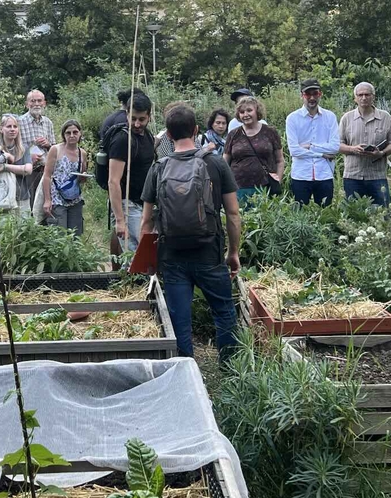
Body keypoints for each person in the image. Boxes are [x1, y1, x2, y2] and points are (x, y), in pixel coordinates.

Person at [140, 104, 242, 361]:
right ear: (196, 130)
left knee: (179, 317)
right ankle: (231, 371)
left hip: (172, 255)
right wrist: (233, 252)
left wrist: (149, 261)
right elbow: (232, 213)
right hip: (209, 250)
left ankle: (186, 372)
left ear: (169, 136)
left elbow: (146, 221)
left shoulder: (159, 167)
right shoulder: (215, 163)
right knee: (223, 310)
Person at [107, 90, 155, 252]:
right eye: (133, 118)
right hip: (128, 204)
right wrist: (120, 220)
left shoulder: (148, 136)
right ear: (126, 113)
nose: (136, 124)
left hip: (145, 203)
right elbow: (113, 181)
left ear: (149, 116)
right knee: (137, 255)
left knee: (148, 252)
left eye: (142, 119)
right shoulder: (122, 141)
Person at [338, 82, 391, 207]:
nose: (364, 98)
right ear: (355, 98)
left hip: (377, 176)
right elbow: (338, 145)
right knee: (354, 215)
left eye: (367, 94)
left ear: (373, 96)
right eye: (360, 95)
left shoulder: (385, 117)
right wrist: (352, 149)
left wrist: (381, 153)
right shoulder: (346, 118)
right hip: (352, 176)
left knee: (383, 214)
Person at [285, 78, 340, 206]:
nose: (311, 98)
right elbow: (294, 150)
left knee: (326, 214)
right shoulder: (292, 118)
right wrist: (322, 154)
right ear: (302, 96)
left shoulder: (330, 117)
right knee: (299, 215)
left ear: (320, 94)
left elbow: (335, 147)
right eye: (307, 94)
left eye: (315, 93)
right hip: (301, 175)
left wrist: (310, 146)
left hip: (324, 174)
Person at [224, 96, 284, 204]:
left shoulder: (270, 132)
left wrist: (278, 179)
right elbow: (225, 162)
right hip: (238, 188)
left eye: (249, 110)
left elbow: (280, 160)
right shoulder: (233, 134)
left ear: (257, 111)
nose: (245, 115)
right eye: (242, 112)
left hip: (265, 187)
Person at [42, 119, 89, 235]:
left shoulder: (82, 153)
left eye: (75, 132)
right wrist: (47, 200)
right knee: (59, 234)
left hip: (75, 198)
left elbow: (82, 179)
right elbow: (47, 175)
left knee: (76, 235)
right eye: (68, 133)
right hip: (57, 198)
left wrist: (83, 175)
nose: (72, 135)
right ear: (63, 134)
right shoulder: (56, 150)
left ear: (80, 134)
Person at [0, 113, 33, 216]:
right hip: (1, 199)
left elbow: (28, 169)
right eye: (8, 126)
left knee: (23, 230)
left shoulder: (24, 149)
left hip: (21, 197)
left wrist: (5, 167)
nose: (12, 129)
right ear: (1, 129)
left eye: (15, 126)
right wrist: (4, 157)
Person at [18, 89, 55, 216]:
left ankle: (44, 230)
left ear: (44, 103)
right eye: (33, 101)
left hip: (45, 170)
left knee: (44, 203)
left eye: (39, 101)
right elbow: (14, 148)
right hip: (28, 170)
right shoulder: (19, 122)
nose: (36, 104)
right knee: (28, 204)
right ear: (27, 104)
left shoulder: (48, 122)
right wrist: (28, 156)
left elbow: (54, 149)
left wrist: (48, 144)